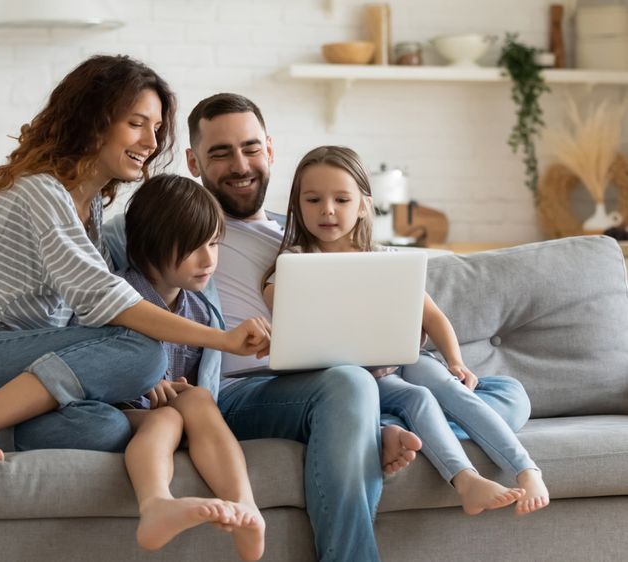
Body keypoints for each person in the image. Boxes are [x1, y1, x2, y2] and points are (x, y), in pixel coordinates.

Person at [104, 93, 533, 561]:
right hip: (244, 389)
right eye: (220, 153)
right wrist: (148, 374)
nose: (240, 164)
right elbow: (106, 306)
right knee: (351, 384)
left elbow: (388, 296)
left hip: (343, 378)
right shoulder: (165, 228)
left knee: (508, 395)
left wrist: (403, 341)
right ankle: (367, 457)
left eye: (249, 148)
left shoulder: (307, 230)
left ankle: (373, 426)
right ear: (193, 161)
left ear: (269, 149)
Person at [0, 56, 270, 461]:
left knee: (106, 427)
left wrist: (131, 376)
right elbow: (105, 300)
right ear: (93, 120)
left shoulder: (92, 213)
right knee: (145, 351)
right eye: (136, 124)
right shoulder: (41, 193)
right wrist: (222, 339)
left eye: (155, 128)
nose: (151, 143)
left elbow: (87, 322)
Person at [262, 144, 550, 517]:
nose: (327, 210)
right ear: (298, 205)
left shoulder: (385, 259)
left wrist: (456, 361)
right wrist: (282, 286)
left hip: (404, 358)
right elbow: (277, 305)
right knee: (419, 399)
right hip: (357, 378)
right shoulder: (296, 263)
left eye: (341, 199)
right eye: (313, 199)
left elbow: (434, 318)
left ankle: (527, 470)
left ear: (364, 204)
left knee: (448, 386)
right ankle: (465, 479)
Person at [118, 173, 264, 560]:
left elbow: (197, 385)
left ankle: (246, 507)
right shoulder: (118, 297)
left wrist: (180, 389)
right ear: (150, 247)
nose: (209, 259)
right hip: (121, 410)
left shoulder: (200, 309)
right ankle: (157, 503)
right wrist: (143, 381)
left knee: (198, 399)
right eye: (194, 247)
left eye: (214, 243)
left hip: (177, 413)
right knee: (168, 420)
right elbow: (90, 362)